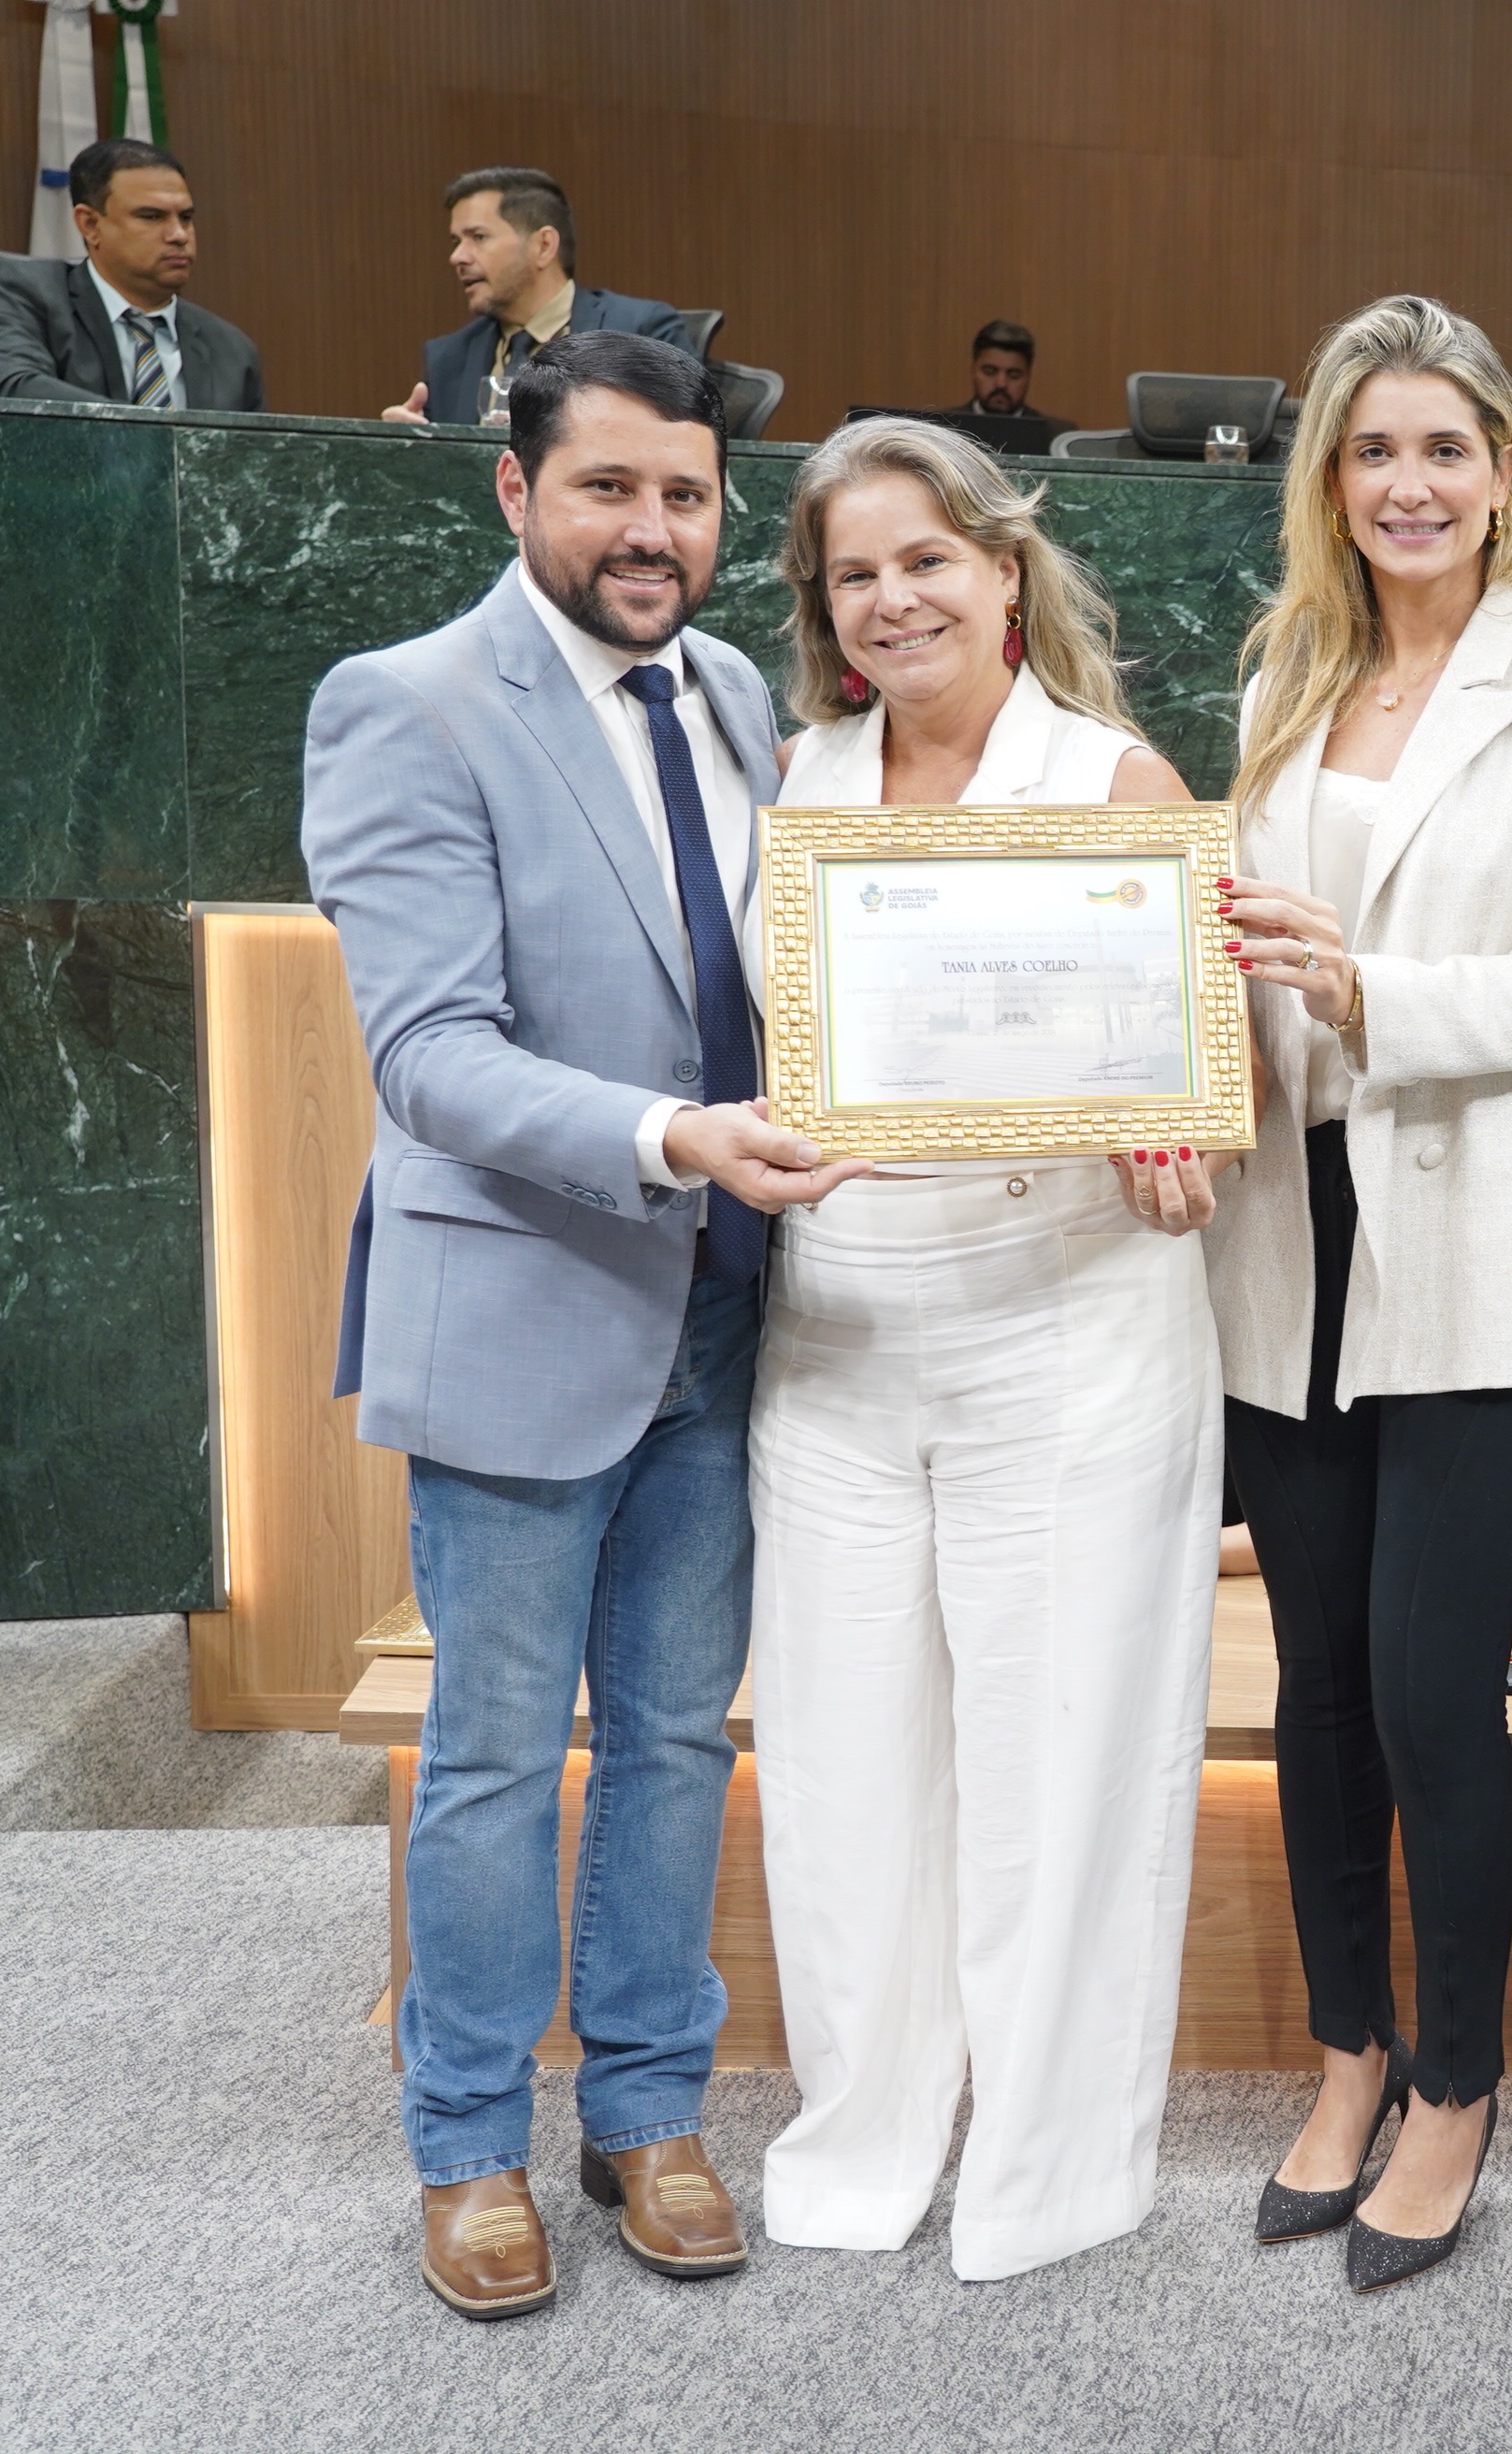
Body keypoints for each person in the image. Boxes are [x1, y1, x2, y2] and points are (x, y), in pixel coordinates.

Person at [303, 331, 863, 2319]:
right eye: (610, 488)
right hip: (533, 1301)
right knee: (488, 1753)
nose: (653, 529)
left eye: (686, 495)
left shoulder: (735, 697)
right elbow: (432, 1053)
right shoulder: (405, 705)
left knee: (673, 1740)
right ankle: (467, 2140)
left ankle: (646, 2109)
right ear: (515, 489)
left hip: (725, 1316)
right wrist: (669, 1135)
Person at [1203, 293, 1512, 2291]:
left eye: (1443, 450)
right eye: (1372, 450)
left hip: (1474, 1238)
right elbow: (1225, 953)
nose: (1409, 484)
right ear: (1330, 478)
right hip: (1283, 1233)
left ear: (1503, 472)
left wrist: (1363, 990)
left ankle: (1459, 2081)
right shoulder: (1285, 677)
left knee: (1426, 1690)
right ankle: (1349, 2051)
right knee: (1314, 1688)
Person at [744, 415, 1222, 2282]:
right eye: (854, 573)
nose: (893, 599)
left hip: (1070, 1327)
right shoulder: (793, 785)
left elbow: (1201, 1087)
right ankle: (862, 2138)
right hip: (839, 1334)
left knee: (1059, 1761)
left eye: (926, 559)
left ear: (1003, 570)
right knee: (846, 1771)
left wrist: (1174, 1142)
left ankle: (1048, 2165)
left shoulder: (1113, 780)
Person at [0, 137, 264, 411]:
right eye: (152, 217)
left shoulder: (231, 351)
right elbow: (15, 392)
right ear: (90, 225)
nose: (179, 235)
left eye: (185, 218)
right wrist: (149, 433)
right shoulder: (26, 293)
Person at [383, 167, 690, 426]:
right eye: (456, 242)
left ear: (543, 246)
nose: (457, 257)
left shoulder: (641, 331)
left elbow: (687, 444)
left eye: (478, 237)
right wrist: (402, 449)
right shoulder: (448, 358)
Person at [971, 320, 1049, 419]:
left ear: (1028, 376)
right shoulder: (951, 426)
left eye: (1014, 375)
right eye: (990, 372)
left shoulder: (1054, 429)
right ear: (973, 370)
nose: (1001, 384)